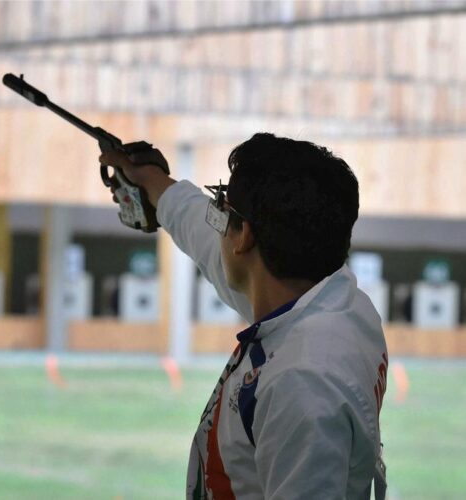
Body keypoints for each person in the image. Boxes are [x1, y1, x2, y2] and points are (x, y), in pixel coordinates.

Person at [100, 133, 388, 500]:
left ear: (245, 237)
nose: (216, 217)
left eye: (222, 207)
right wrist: (153, 184)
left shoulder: (303, 381)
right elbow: (211, 240)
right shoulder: (334, 302)